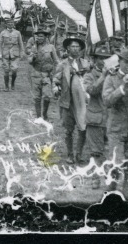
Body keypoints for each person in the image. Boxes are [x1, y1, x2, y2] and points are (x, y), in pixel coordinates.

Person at [102, 47, 128, 195]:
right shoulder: (111, 78)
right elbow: (107, 101)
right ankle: (110, 192)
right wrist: (122, 88)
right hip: (117, 129)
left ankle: (126, 196)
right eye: (127, 62)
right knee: (115, 165)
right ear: (120, 62)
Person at [54, 36, 90, 164]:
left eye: (77, 47)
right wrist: (56, 88)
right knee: (68, 130)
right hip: (67, 101)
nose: (75, 49)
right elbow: (56, 80)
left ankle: (78, 154)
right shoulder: (63, 64)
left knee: (83, 128)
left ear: (80, 49)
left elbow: (89, 80)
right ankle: (70, 154)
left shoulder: (86, 64)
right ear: (68, 48)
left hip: (82, 103)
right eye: (72, 46)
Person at [83, 44, 112, 170]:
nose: (103, 61)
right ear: (95, 60)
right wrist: (103, 76)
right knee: (95, 152)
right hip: (95, 118)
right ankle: (95, 178)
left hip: (111, 119)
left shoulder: (114, 74)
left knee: (109, 151)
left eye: (106, 58)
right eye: (101, 58)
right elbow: (92, 90)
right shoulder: (88, 75)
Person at [26, 27, 60, 121]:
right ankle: (38, 116)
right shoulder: (34, 47)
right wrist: (33, 57)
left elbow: (56, 61)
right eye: (37, 36)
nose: (39, 38)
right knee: (37, 97)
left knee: (47, 97)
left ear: (45, 37)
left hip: (47, 76)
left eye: (41, 36)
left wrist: (57, 72)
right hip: (36, 74)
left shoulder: (51, 47)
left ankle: (45, 115)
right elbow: (29, 61)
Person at [0, 23, 26, 92]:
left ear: (13, 24)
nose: (10, 25)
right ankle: (6, 86)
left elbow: (21, 43)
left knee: (14, 69)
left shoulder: (17, 32)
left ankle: (12, 83)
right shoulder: (3, 33)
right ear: (6, 24)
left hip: (15, 54)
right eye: (8, 24)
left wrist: (22, 53)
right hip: (5, 53)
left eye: (12, 24)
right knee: (6, 70)